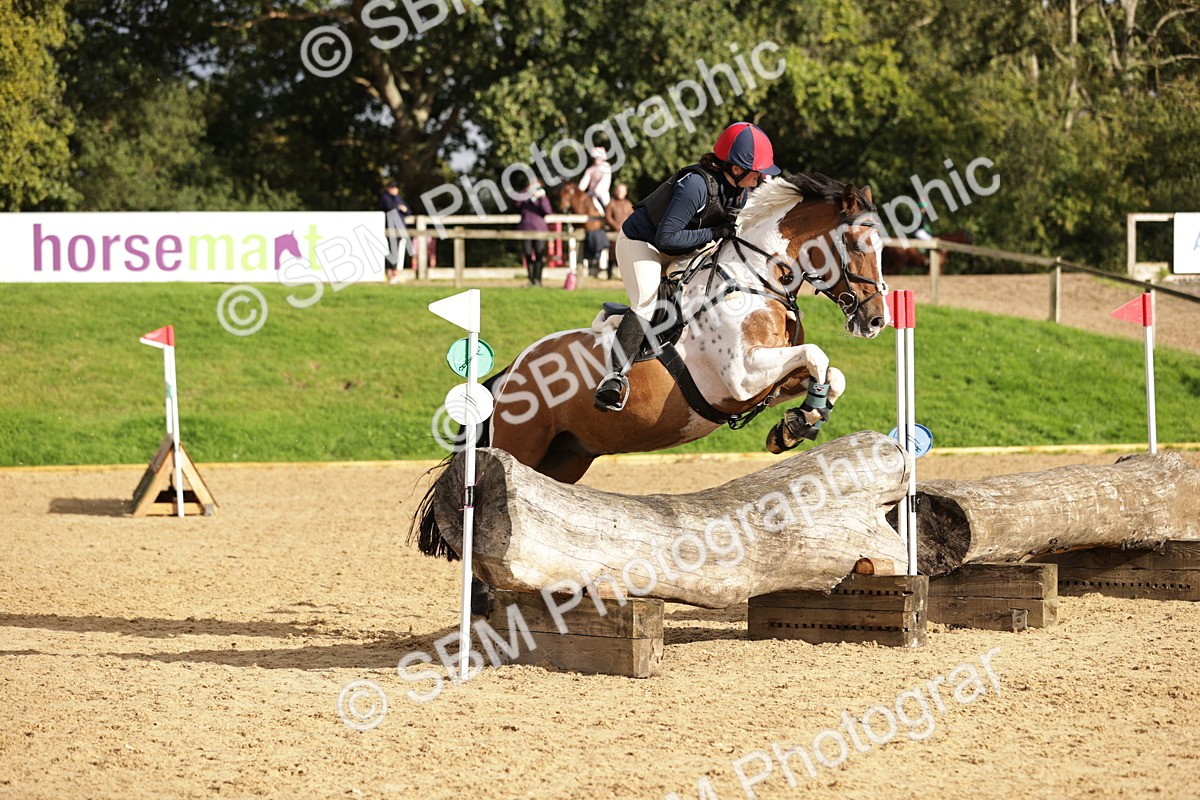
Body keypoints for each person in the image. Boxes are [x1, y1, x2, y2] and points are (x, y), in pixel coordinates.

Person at [593, 122, 781, 412]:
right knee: (646, 303)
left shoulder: (739, 191)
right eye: (756, 170)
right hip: (643, 244)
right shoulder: (695, 185)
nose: (760, 176)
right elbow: (666, 237)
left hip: (681, 249)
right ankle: (614, 378)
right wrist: (715, 233)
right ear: (734, 168)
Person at [515, 178, 552, 286]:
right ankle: (530, 280)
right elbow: (517, 203)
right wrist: (527, 193)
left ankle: (538, 280)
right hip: (526, 229)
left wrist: (542, 198)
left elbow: (548, 211)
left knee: (539, 255)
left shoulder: (542, 197)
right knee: (527, 254)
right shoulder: (523, 195)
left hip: (539, 230)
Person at [378, 180, 410, 284]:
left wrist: (402, 209)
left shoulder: (399, 198)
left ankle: (394, 273)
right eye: (392, 187)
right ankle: (391, 273)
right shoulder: (385, 198)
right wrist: (399, 208)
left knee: (397, 252)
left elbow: (408, 211)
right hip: (391, 229)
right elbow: (390, 208)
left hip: (400, 229)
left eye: (395, 187)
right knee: (392, 251)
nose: (394, 189)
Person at [603, 183, 635, 280]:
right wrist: (616, 226)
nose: (620, 193)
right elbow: (608, 217)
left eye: (622, 191)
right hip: (614, 233)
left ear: (625, 193)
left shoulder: (628, 204)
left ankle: (625, 276)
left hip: (625, 233)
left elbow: (632, 217)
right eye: (618, 190)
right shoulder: (611, 203)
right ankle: (609, 274)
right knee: (612, 253)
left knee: (625, 255)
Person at [577, 147, 613, 214]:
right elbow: (585, 181)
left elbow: (604, 181)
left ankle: (607, 217)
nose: (596, 160)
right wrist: (579, 191)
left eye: (598, 158)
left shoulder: (606, 167)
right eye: (595, 158)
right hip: (591, 193)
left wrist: (597, 190)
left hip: (602, 193)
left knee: (606, 204)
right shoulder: (590, 169)